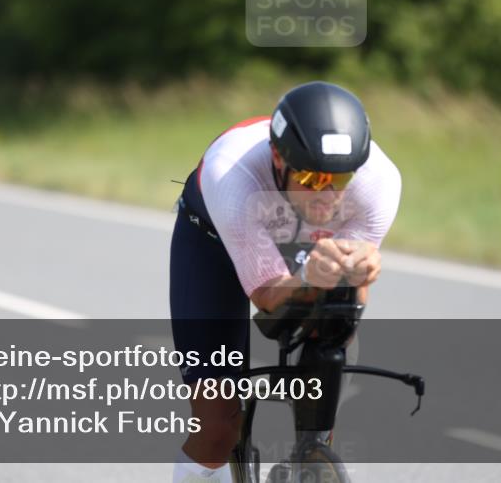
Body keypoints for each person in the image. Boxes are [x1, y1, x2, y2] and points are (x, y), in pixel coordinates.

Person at [169, 81, 402, 483]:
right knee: (217, 428)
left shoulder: (377, 182)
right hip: (214, 241)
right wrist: (309, 276)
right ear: (279, 158)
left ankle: (308, 456)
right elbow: (269, 297)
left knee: (331, 330)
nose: (326, 195)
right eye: (311, 179)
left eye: (339, 180)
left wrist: (351, 276)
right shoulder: (233, 174)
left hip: (302, 242)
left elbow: (348, 304)